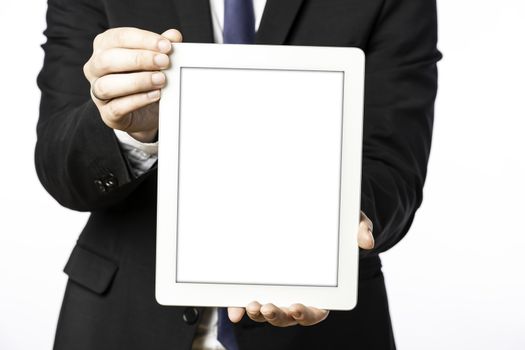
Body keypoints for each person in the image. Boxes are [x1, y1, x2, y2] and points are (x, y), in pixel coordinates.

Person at [35, 0, 441, 349]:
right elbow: (58, 161)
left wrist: (338, 228)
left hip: (320, 330)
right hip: (122, 320)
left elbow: (393, 161)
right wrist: (132, 133)